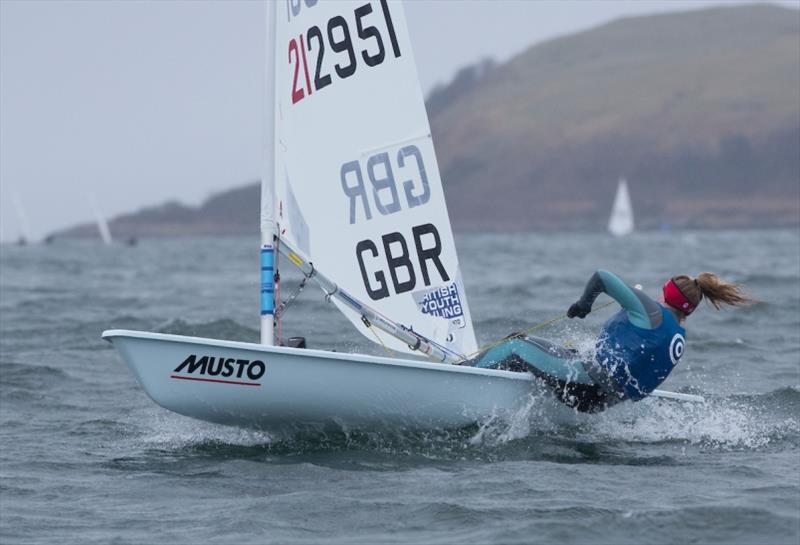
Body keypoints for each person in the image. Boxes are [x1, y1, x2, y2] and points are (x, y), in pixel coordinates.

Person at [468, 270, 751, 412]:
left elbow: (602, 276)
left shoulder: (652, 311)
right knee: (565, 352)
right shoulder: (678, 337)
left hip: (584, 383)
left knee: (515, 343)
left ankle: (463, 373)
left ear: (668, 294)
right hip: (601, 403)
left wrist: (583, 304)